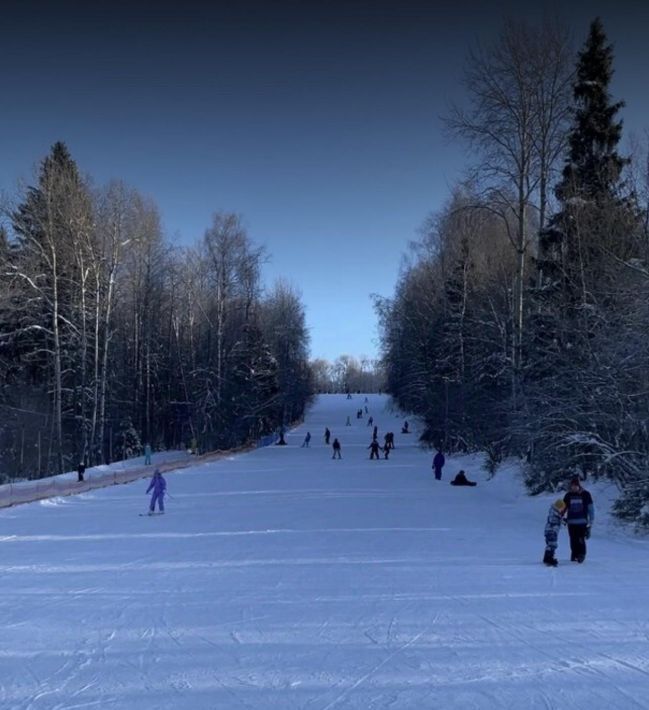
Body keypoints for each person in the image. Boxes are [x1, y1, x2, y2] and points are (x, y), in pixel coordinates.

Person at [563, 476, 594, 563]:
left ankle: (581, 554)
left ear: (579, 486)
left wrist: (591, 522)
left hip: (582, 522)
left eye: (576, 485)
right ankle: (574, 554)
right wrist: (558, 514)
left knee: (580, 539)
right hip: (571, 522)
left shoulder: (586, 495)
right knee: (573, 539)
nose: (574, 487)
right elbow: (563, 507)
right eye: (572, 486)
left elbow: (590, 508)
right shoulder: (568, 495)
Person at [543, 499, 566, 567]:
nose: (562, 510)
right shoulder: (554, 513)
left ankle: (546, 558)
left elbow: (559, 520)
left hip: (551, 531)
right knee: (552, 545)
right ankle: (549, 558)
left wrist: (563, 520)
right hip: (551, 531)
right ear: (558, 507)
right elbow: (553, 520)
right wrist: (560, 519)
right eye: (562, 508)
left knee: (550, 544)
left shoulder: (555, 513)